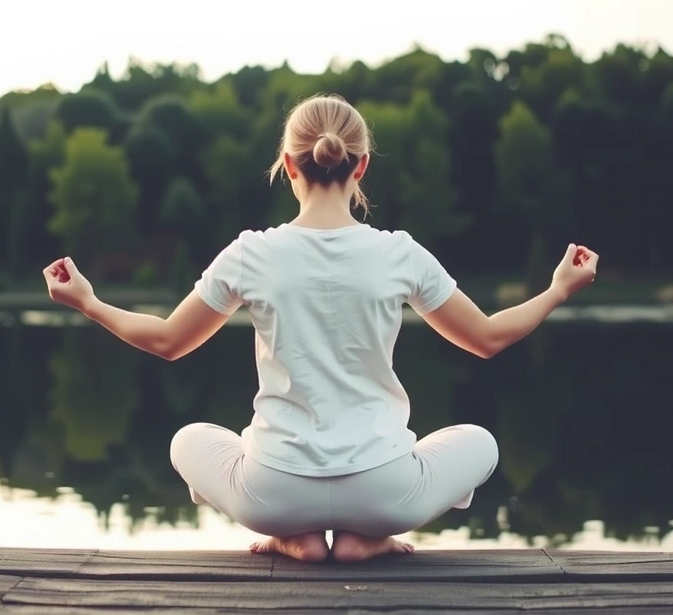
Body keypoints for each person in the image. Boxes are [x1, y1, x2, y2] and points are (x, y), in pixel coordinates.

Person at [42, 93, 599, 564]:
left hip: (273, 492)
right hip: (386, 492)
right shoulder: (398, 253)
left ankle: (296, 538)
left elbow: (167, 342)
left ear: (288, 165)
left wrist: (89, 302)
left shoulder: (251, 253)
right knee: (480, 442)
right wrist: (556, 291)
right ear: (361, 167)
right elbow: (488, 338)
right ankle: (368, 540)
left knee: (187, 440)